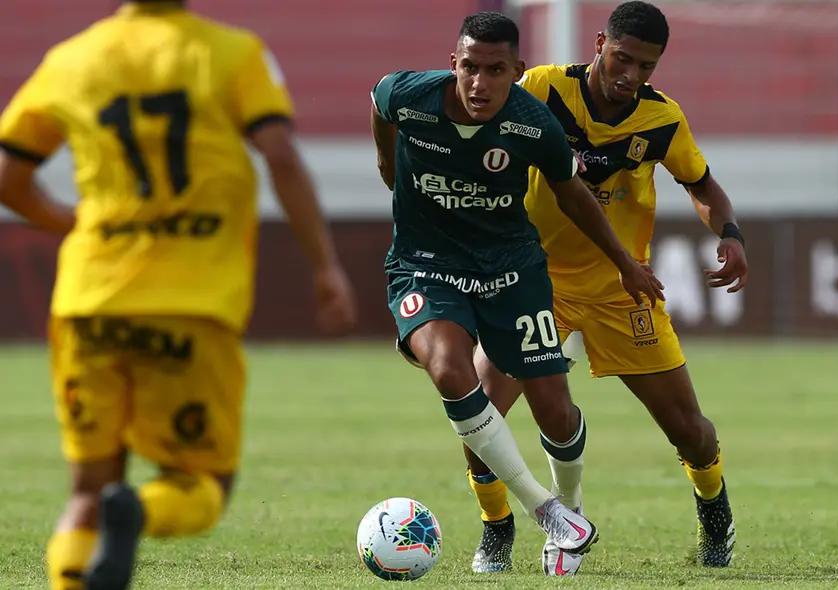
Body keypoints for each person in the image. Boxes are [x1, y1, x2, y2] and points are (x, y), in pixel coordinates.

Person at [0, 1, 358, 588]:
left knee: (86, 491)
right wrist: (325, 266)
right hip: (191, 304)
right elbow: (281, 155)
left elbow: (8, 177)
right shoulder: (232, 53)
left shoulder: (70, 59)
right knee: (202, 485)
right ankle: (139, 510)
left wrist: (78, 224)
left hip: (89, 301)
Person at [460, 1, 747, 576]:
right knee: (481, 414)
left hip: (623, 286)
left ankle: (714, 508)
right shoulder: (542, 89)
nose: (630, 75)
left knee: (689, 431)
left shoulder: (661, 119)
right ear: (598, 44)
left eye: (646, 66)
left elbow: (702, 185)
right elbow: (483, 128)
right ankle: (497, 527)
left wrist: (730, 233)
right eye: (622, 58)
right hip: (533, 281)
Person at [370, 11, 665, 565]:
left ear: (517, 70)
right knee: (450, 370)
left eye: (495, 70)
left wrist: (624, 262)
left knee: (554, 409)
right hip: (426, 263)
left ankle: (569, 511)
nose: (479, 83)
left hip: (511, 269)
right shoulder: (410, 95)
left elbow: (573, 194)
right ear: (453, 64)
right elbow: (380, 103)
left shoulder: (533, 124)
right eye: (470, 68)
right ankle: (537, 510)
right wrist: (388, 159)